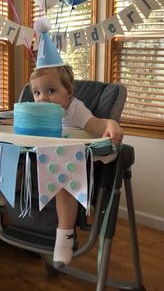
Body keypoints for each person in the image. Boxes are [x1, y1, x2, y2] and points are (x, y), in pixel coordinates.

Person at [29, 63, 123, 268]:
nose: (42, 98)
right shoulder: (37, 112)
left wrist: (110, 124)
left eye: (51, 91)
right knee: (4, 150)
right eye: (36, 92)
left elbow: (96, 125)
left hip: (66, 165)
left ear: (68, 93)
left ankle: (65, 235)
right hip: (36, 163)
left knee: (62, 174)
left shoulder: (74, 109)